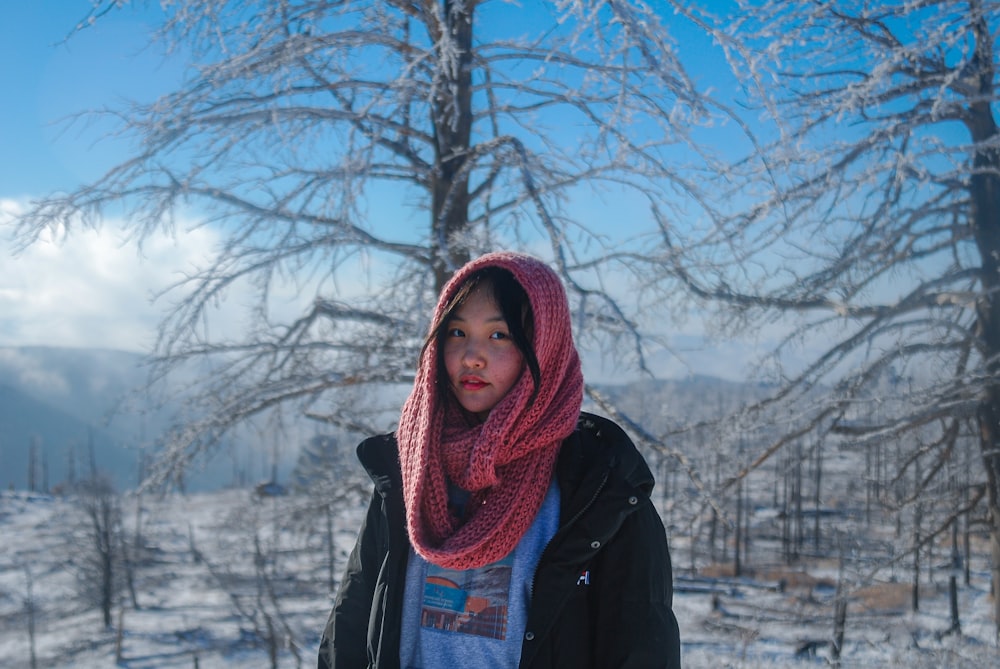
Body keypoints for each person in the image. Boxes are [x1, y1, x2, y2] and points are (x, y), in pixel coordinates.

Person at [318, 251, 681, 668]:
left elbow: (641, 650)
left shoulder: (602, 486)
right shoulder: (408, 469)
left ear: (543, 347)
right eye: (456, 332)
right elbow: (353, 617)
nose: (472, 355)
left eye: (499, 335)